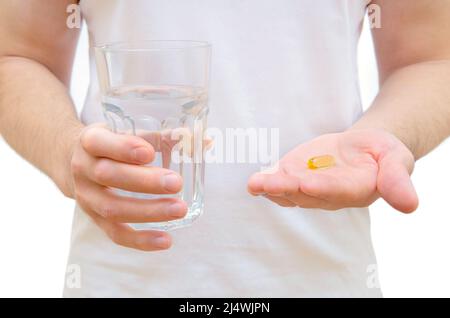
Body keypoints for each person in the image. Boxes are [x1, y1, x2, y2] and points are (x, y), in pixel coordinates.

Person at [0, 0, 449, 297]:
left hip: (325, 280)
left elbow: (433, 58)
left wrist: (385, 136)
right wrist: (64, 149)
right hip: (119, 281)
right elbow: (16, 54)